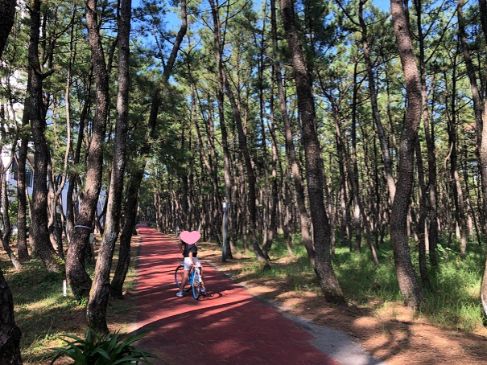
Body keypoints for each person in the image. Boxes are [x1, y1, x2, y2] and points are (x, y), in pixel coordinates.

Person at [176, 230, 206, 297]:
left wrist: (183, 252)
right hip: (191, 258)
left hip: (189, 258)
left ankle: (181, 292)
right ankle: (202, 289)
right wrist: (192, 262)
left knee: (186, 275)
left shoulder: (186, 241)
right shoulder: (193, 245)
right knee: (199, 274)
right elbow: (190, 254)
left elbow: (179, 244)